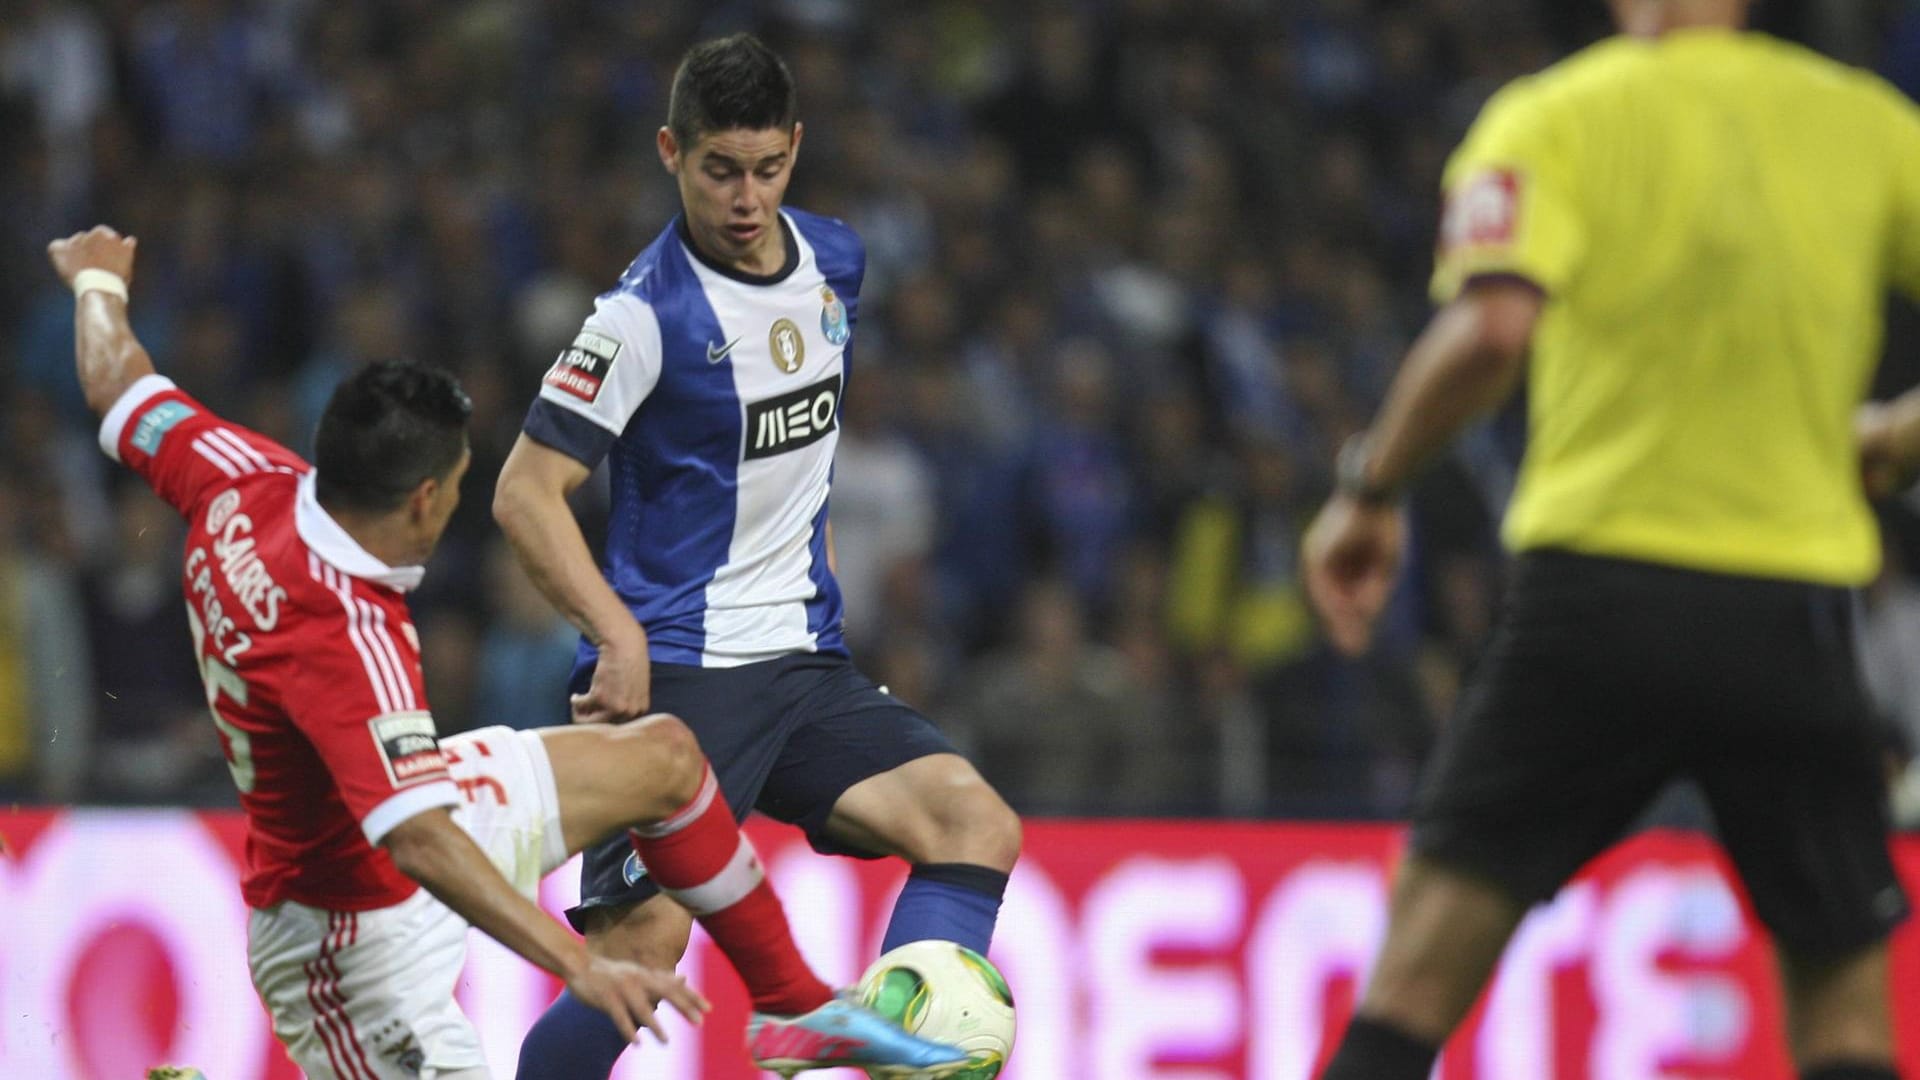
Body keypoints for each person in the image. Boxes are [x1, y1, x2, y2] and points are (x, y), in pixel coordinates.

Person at [46, 225, 971, 1080]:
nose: (458, 509)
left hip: (414, 793)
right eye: (455, 489)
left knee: (665, 758)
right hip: (351, 936)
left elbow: (117, 383)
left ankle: (792, 1006)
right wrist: (581, 965)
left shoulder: (241, 478)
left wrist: (96, 280)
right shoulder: (346, 638)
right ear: (420, 500)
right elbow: (418, 844)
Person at [1300, 2, 1915, 1078]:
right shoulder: (1867, 125)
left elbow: (1491, 329)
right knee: (1846, 1017)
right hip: (1792, 613)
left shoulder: (1557, 115)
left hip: (1594, 606)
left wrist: (1371, 486)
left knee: (1412, 986)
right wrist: (1899, 435)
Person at [494, 34, 1024, 1077]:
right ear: (670, 153)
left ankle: (865, 1047)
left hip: (804, 668)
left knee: (975, 822)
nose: (745, 198)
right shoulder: (639, 319)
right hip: (683, 677)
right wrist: (614, 633)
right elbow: (524, 490)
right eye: (718, 171)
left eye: (766, 169)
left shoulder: (837, 260)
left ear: (795, 148)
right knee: (636, 960)